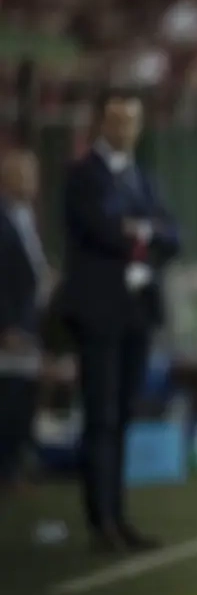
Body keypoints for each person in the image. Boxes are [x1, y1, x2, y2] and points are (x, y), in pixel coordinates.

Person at [60, 89, 181, 552]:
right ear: (100, 123)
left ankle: (118, 515)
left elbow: (173, 236)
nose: (126, 129)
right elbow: (104, 230)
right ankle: (101, 520)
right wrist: (146, 230)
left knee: (124, 414)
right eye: (117, 120)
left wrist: (140, 230)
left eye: (132, 120)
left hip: (137, 309)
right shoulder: (83, 175)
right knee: (102, 416)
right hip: (99, 309)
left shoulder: (142, 177)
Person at [0, 150, 45, 491]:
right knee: (9, 399)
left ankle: (15, 466)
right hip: (11, 326)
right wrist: (5, 325)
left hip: (30, 322)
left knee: (24, 396)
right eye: (24, 175)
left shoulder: (26, 217)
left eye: (33, 174)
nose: (32, 182)